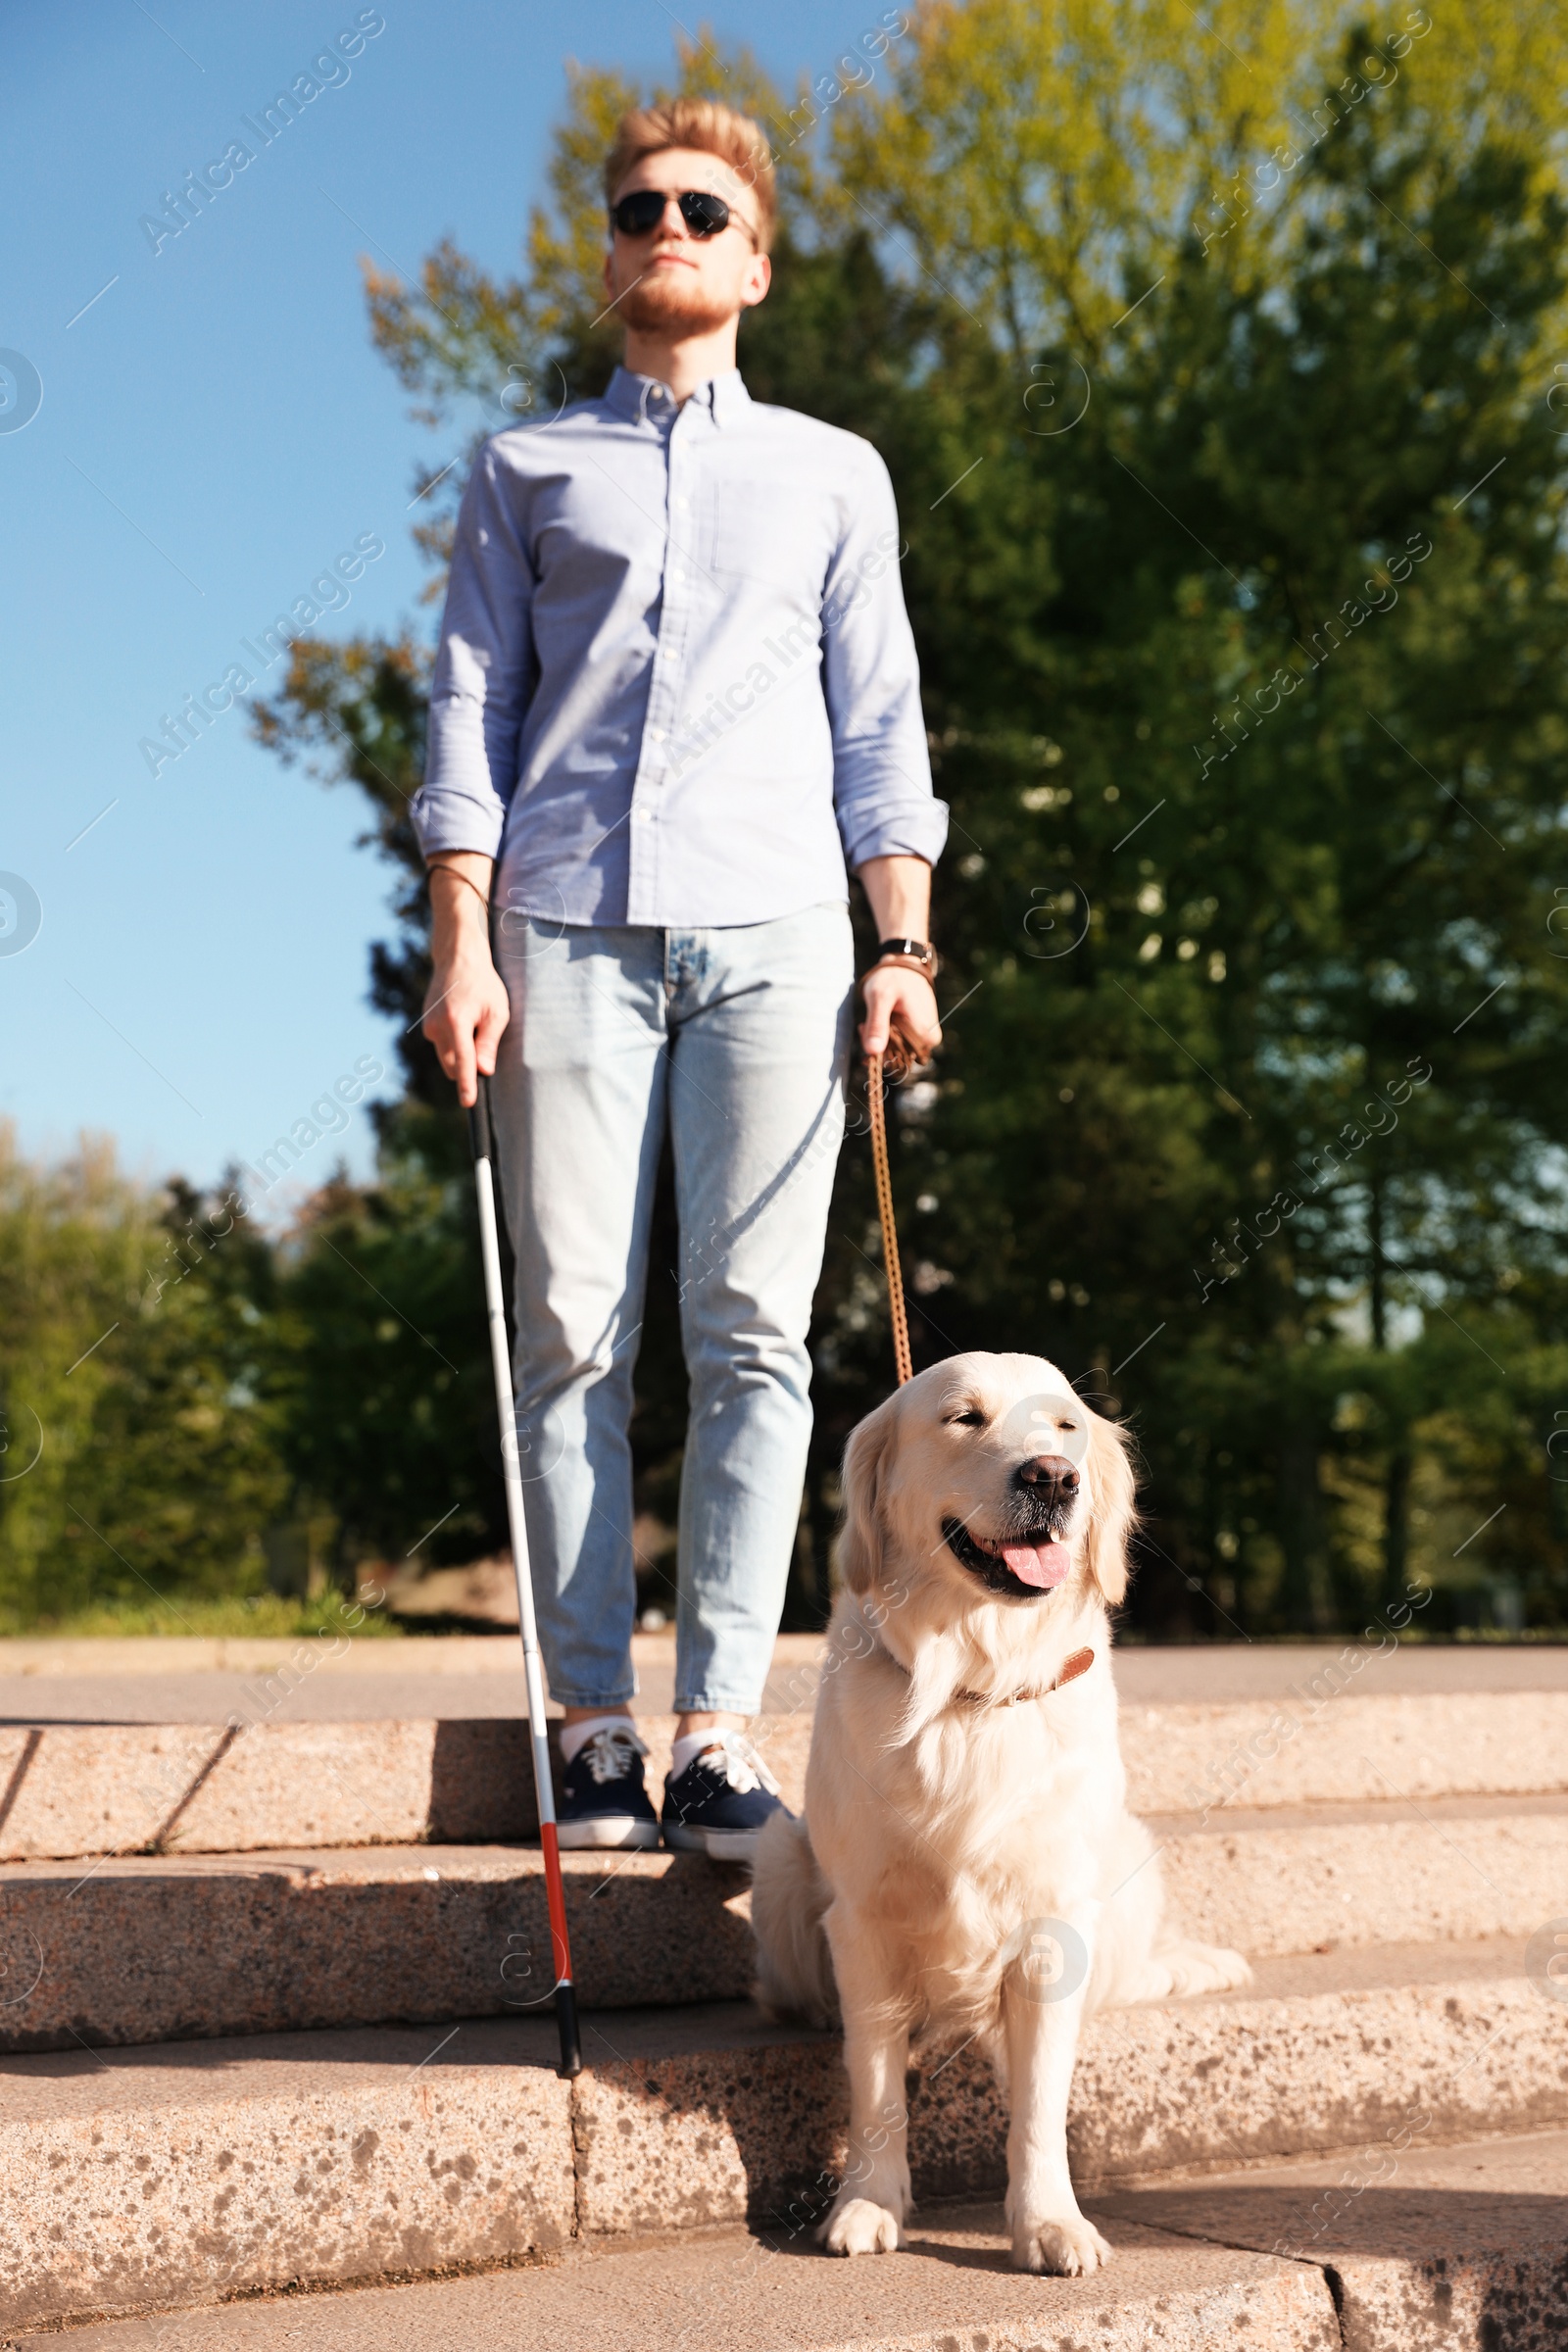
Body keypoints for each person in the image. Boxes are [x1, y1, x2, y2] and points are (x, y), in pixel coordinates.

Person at [414, 97, 946, 1861]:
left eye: (702, 208)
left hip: (784, 934)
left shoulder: (835, 473)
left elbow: (879, 725)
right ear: (611, 247)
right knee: (570, 1331)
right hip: (558, 925)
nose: (668, 225)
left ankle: (717, 1731)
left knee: (758, 1341)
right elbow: (468, 717)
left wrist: (903, 939)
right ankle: (589, 1727)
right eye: (640, 204)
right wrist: (460, 942)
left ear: (755, 261)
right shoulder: (520, 468)